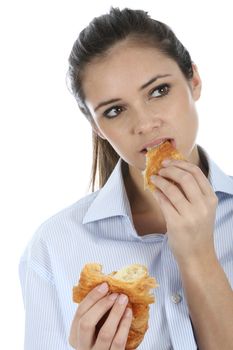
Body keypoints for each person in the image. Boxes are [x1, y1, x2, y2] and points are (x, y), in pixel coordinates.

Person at [19, 7, 233, 350]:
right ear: (96, 127)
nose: (145, 124)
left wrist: (198, 256)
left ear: (194, 80)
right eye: (115, 110)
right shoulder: (54, 246)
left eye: (159, 90)